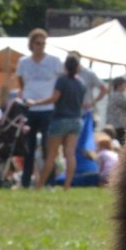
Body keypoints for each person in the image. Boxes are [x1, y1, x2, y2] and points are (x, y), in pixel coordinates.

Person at [15, 29, 63, 188]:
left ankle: (48, 181)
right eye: (38, 43)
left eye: (43, 43)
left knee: (46, 146)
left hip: (48, 109)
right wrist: (27, 96)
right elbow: (20, 81)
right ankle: (26, 181)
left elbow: (60, 82)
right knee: (28, 147)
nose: (41, 46)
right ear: (31, 44)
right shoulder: (24, 62)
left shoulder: (54, 61)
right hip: (29, 109)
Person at [37, 52, 86, 190]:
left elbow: (54, 98)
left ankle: (40, 185)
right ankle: (67, 186)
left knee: (51, 154)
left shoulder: (62, 80)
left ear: (65, 66)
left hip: (60, 119)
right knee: (70, 153)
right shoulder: (81, 83)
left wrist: (35, 103)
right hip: (76, 120)